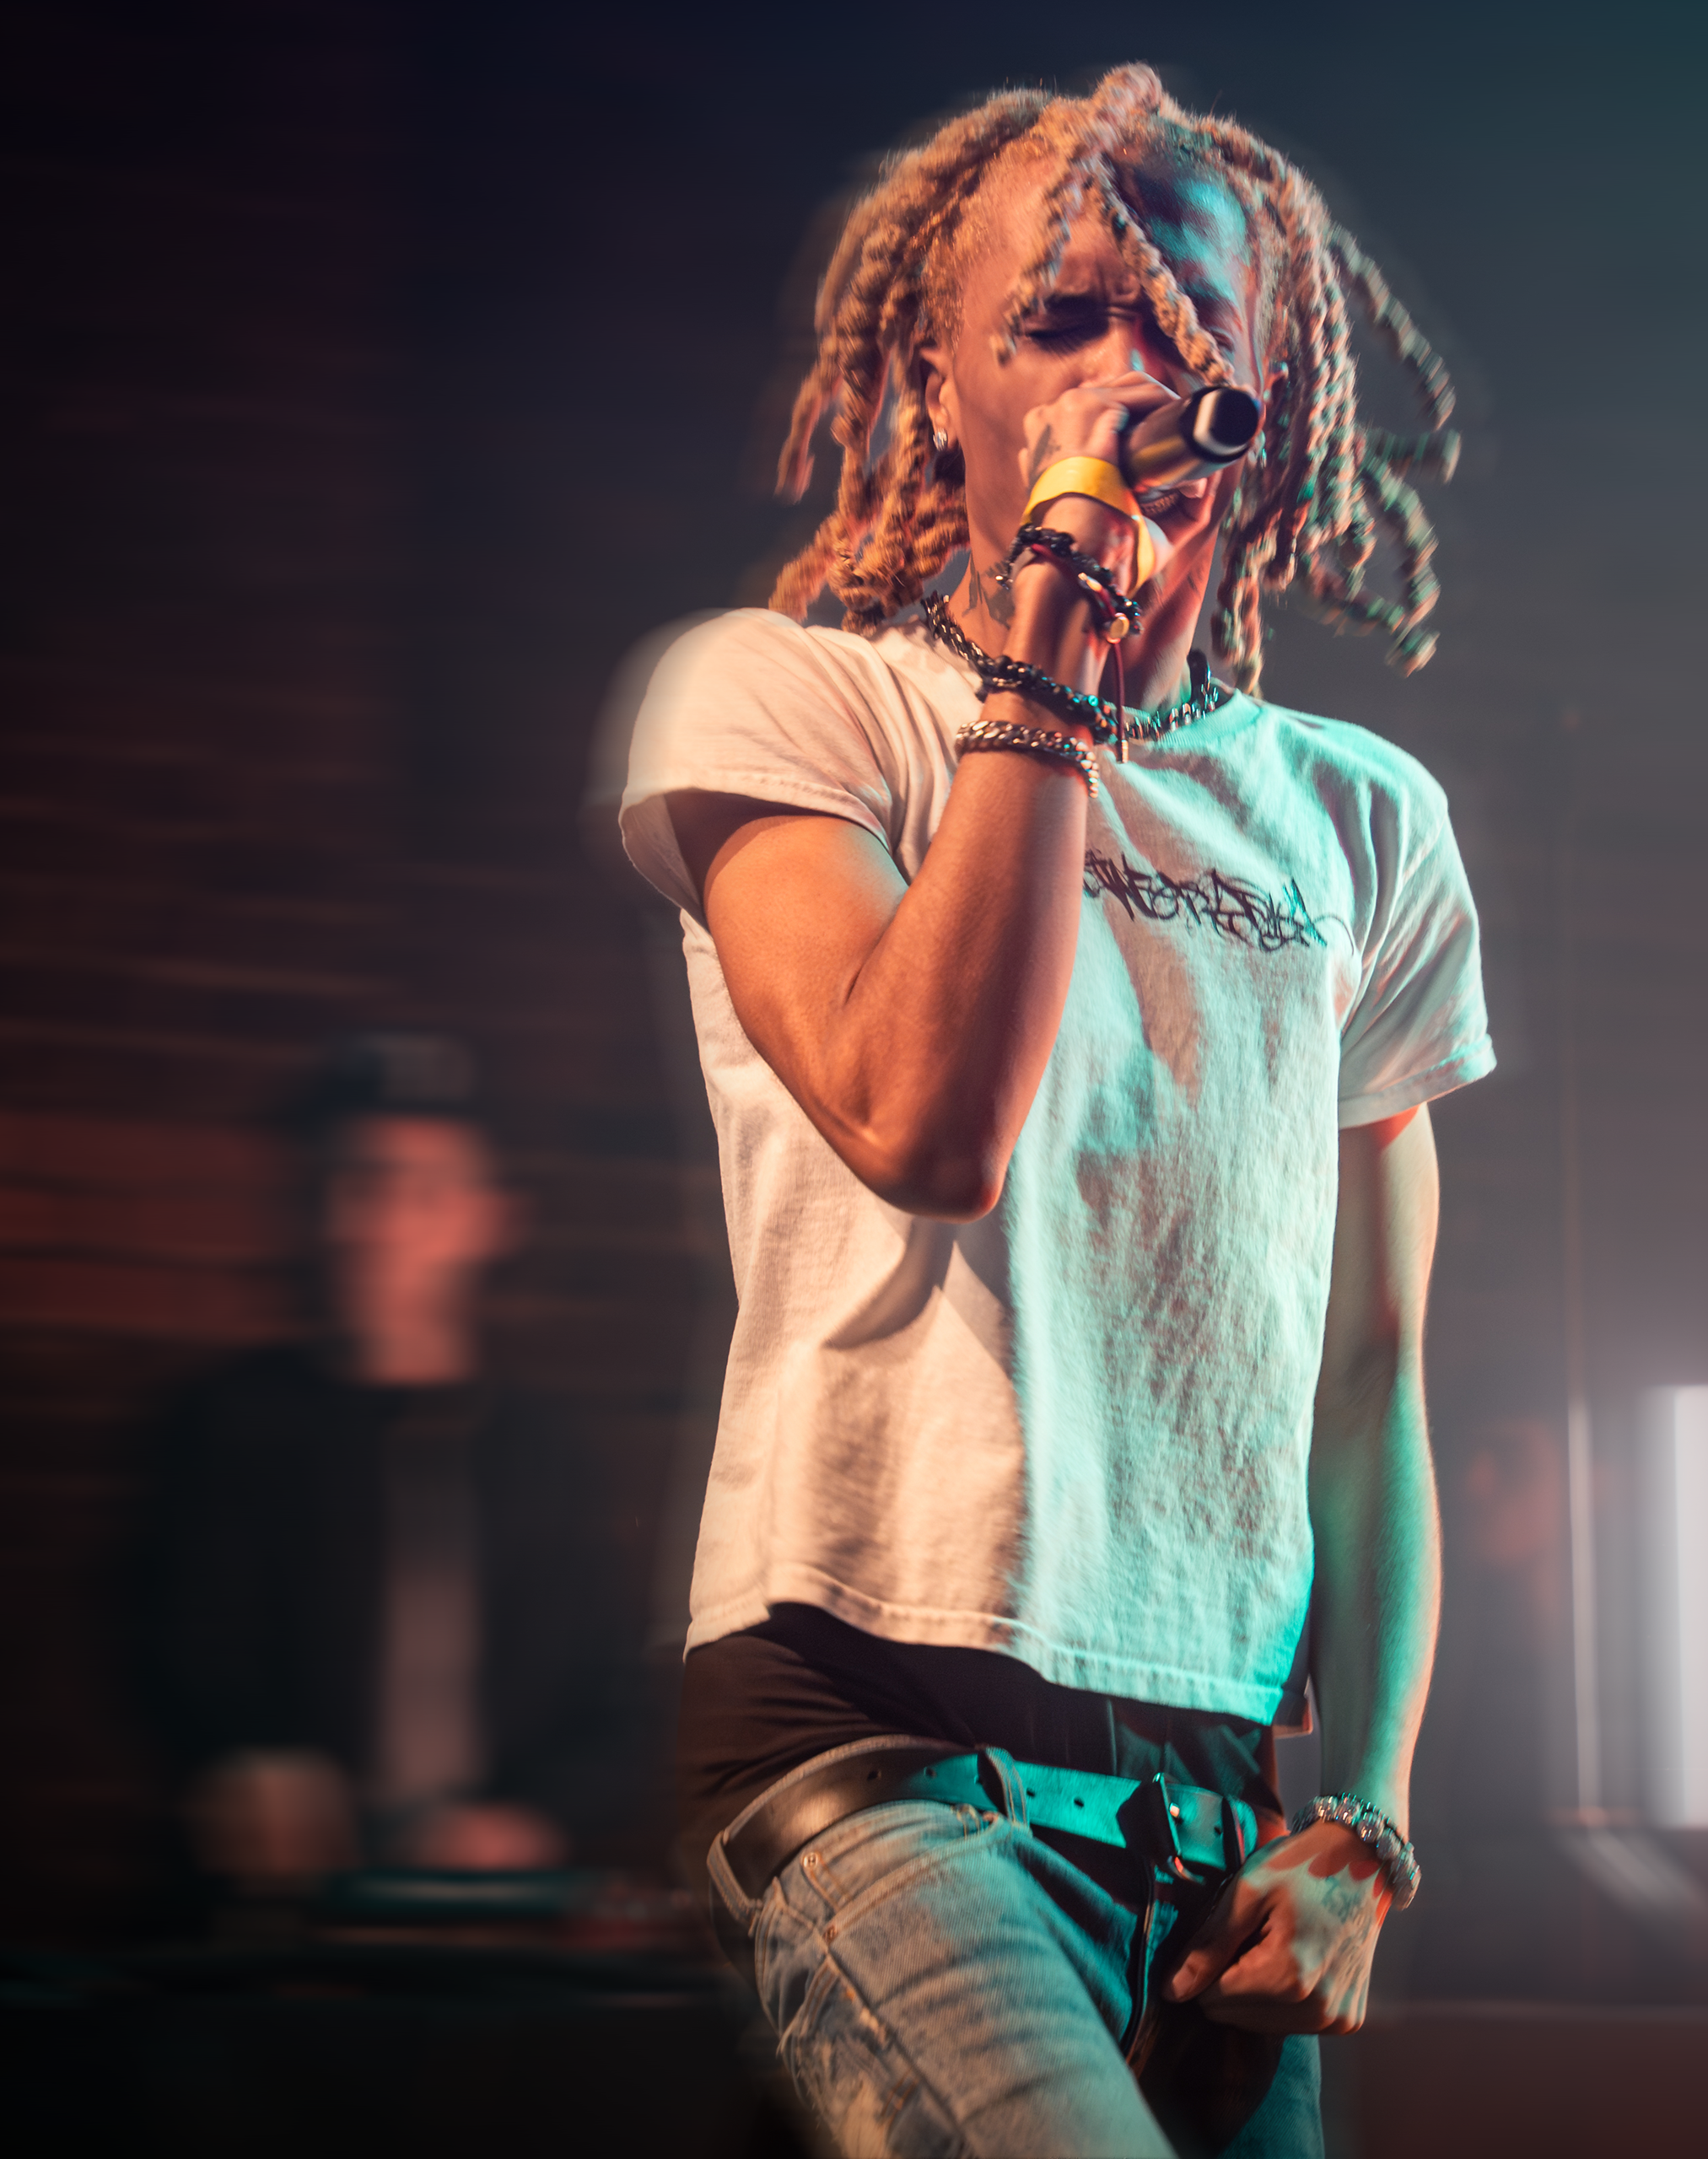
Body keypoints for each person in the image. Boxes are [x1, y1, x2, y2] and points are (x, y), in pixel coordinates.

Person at [609, 64, 1486, 2156]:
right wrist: (1054, 637)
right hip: (876, 1747)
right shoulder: (798, 702)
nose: (1121, 373)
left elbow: (1368, 1377)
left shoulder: (1360, 823)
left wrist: (1363, 1819)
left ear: (1264, 386)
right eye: (1059, 321)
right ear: (942, 377)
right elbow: (925, 1121)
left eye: (1179, 327)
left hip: (1215, 1809)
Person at [133, 1032, 644, 1887]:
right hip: (271, 1906)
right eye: (343, 1186)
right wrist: (242, 1765)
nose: (365, 1226)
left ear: (488, 1219)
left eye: (411, 1191)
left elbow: (617, 1703)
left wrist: (529, 1822)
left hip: (491, 1911)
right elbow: (168, 1654)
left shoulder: (548, 1456)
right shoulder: (223, 1429)